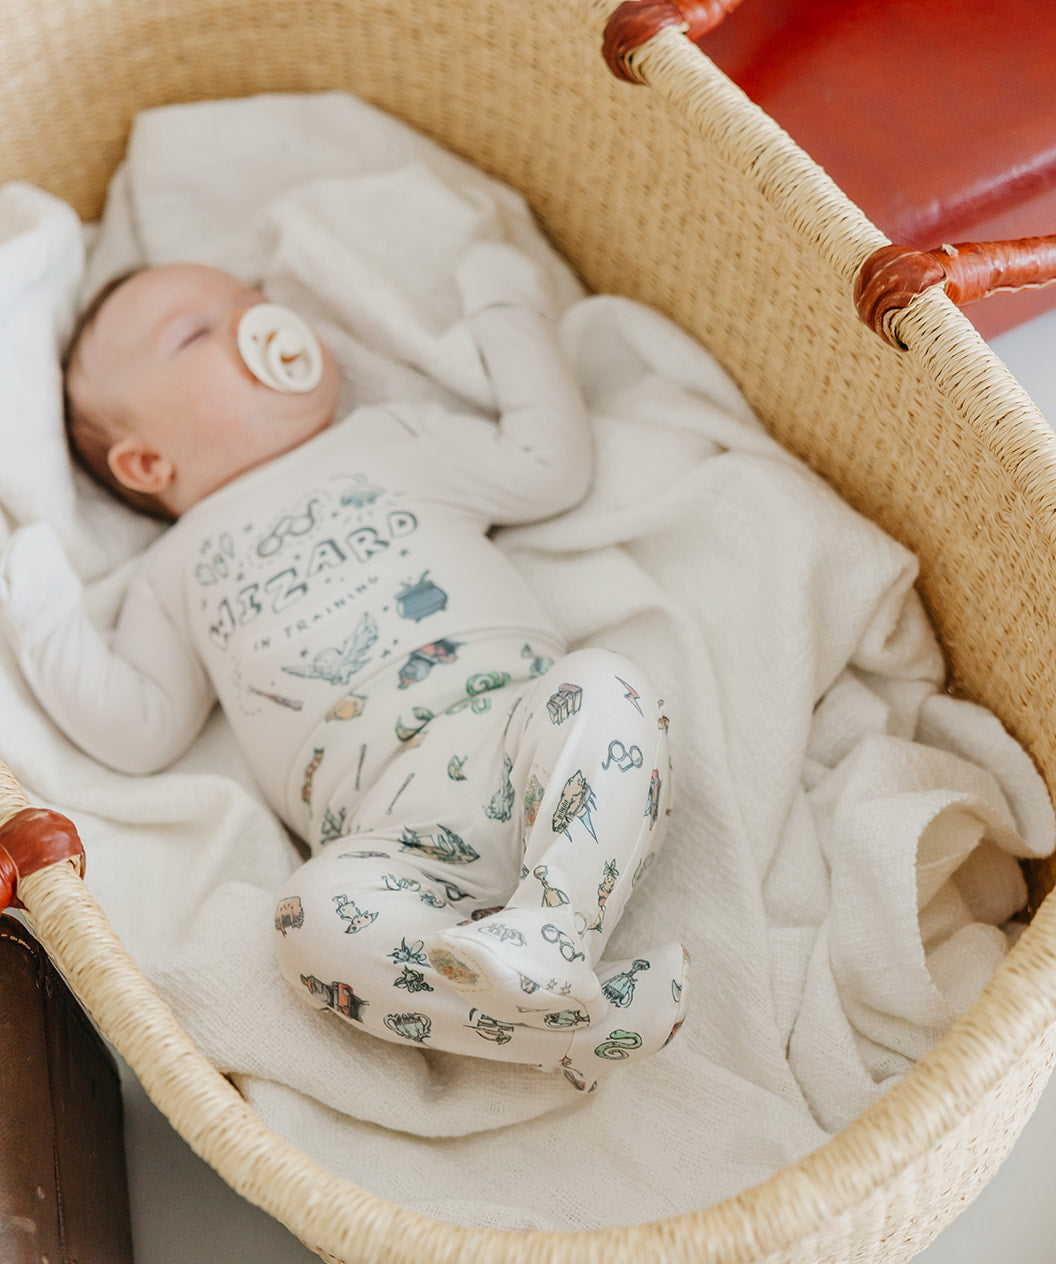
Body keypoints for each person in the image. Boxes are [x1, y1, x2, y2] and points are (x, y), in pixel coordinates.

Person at [0, 246, 689, 1091]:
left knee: (606, 686)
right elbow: (140, 728)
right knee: (306, 927)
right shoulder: (175, 568)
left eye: (250, 299)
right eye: (196, 334)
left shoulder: (390, 439)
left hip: (521, 739)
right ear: (147, 464)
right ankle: (583, 1022)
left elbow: (547, 466)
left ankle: (559, 924)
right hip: (387, 843)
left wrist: (508, 309)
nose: (253, 322)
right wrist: (43, 614)